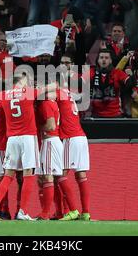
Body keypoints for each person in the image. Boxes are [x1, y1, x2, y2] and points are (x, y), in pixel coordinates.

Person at [0, 72, 46, 221]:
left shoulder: (3, 95)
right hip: (27, 137)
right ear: (21, 81)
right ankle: (23, 211)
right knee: (29, 174)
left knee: (8, 175)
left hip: (12, 139)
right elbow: (49, 88)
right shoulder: (28, 92)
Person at [56, 86, 90, 221]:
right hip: (81, 136)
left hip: (71, 137)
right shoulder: (68, 93)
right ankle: (86, 213)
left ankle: (73, 210)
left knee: (61, 174)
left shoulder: (58, 91)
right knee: (81, 176)